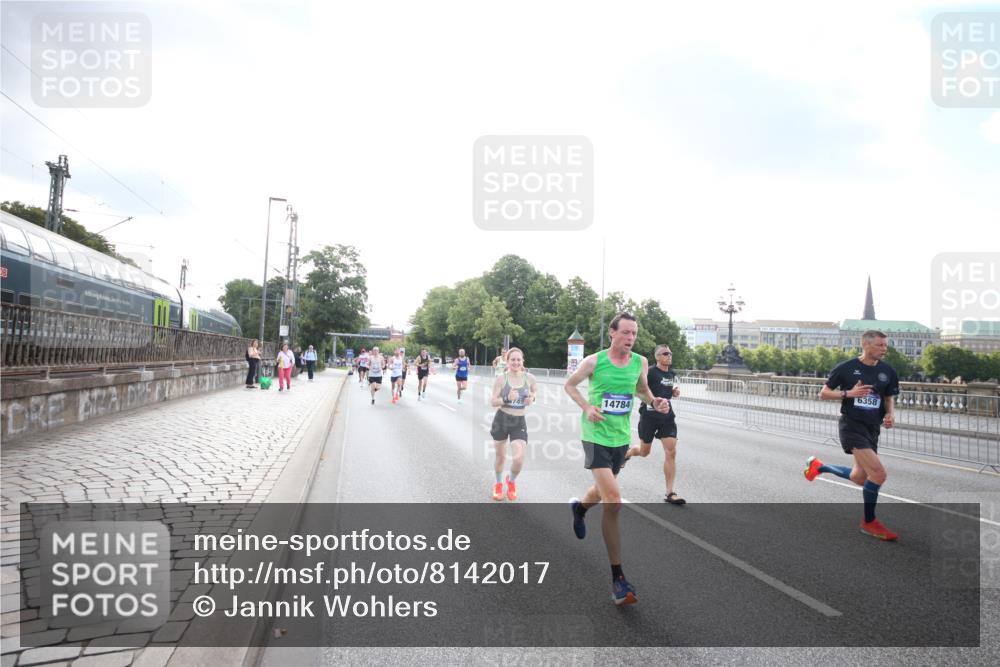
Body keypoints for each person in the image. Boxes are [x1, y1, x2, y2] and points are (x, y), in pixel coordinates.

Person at [564, 313, 670, 606]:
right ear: (612, 333)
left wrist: (654, 401)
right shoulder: (594, 362)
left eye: (634, 333)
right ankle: (618, 578)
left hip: (620, 439)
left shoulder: (640, 362)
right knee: (613, 498)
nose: (630, 338)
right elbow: (570, 385)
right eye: (625, 332)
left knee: (600, 492)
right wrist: (586, 407)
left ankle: (580, 509)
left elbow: (641, 389)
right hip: (595, 436)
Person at [805, 330, 900, 540]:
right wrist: (849, 393)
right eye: (880, 345)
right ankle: (869, 522)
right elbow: (823, 393)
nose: (885, 349)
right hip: (852, 426)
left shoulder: (888, 371)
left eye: (886, 345)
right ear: (866, 345)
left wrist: (890, 414)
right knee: (878, 474)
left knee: (860, 477)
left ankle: (818, 466)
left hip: (872, 429)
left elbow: (888, 397)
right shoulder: (846, 368)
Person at [626, 345, 684, 504]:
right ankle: (628, 453)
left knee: (671, 451)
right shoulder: (650, 372)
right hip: (649, 415)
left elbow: (667, 387)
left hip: (666, 415)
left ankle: (670, 492)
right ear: (657, 357)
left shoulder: (671, 373)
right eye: (666, 353)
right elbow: (636, 390)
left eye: (670, 353)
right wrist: (651, 401)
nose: (669, 356)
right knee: (644, 452)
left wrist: (674, 391)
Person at [489, 348, 537, 502]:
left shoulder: (529, 378)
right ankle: (498, 484)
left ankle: (511, 481)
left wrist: (532, 398)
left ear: (522, 361)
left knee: (519, 458)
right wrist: (506, 398)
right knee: (501, 456)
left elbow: (534, 391)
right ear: (507, 361)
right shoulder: (501, 380)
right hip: (502, 420)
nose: (516, 362)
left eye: (518, 360)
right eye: (513, 360)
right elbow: (493, 402)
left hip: (518, 422)